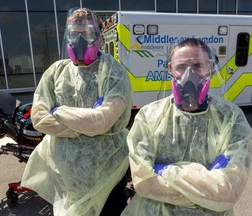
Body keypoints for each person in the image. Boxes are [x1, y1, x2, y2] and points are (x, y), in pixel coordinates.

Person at [121, 38, 252, 215]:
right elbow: (143, 183)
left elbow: (229, 191)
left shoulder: (231, 118)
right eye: (181, 67)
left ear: (211, 69)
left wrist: (165, 170)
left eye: (198, 66)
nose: (189, 74)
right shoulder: (148, 116)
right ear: (170, 70)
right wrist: (208, 185)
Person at [20, 8, 132, 216]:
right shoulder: (55, 72)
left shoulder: (114, 72)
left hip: (109, 173)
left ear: (100, 38)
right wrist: (85, 123)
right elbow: (39, 119)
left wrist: (58, 111)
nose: (80, 40)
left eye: (87, 34)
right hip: (65, 175)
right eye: (74, 34)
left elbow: (102, 121)